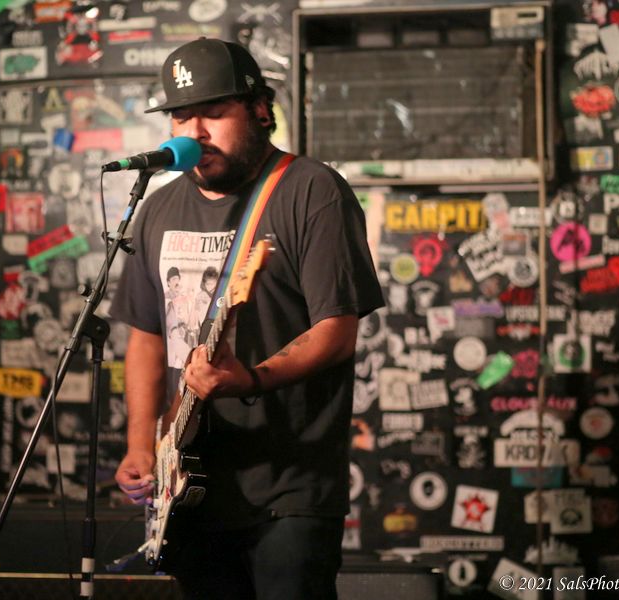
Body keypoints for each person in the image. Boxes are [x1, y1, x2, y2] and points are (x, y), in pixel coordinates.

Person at [110, 37, 383, 600]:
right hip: (188, 484)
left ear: (260, 110)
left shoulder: (312, 191)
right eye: (181, 117)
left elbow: (337, 331)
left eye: (213, 113)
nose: (195, 133)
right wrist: (141, 445)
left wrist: (250, 379)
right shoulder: (157, 207)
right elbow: (146, 337)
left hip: (288, 488)